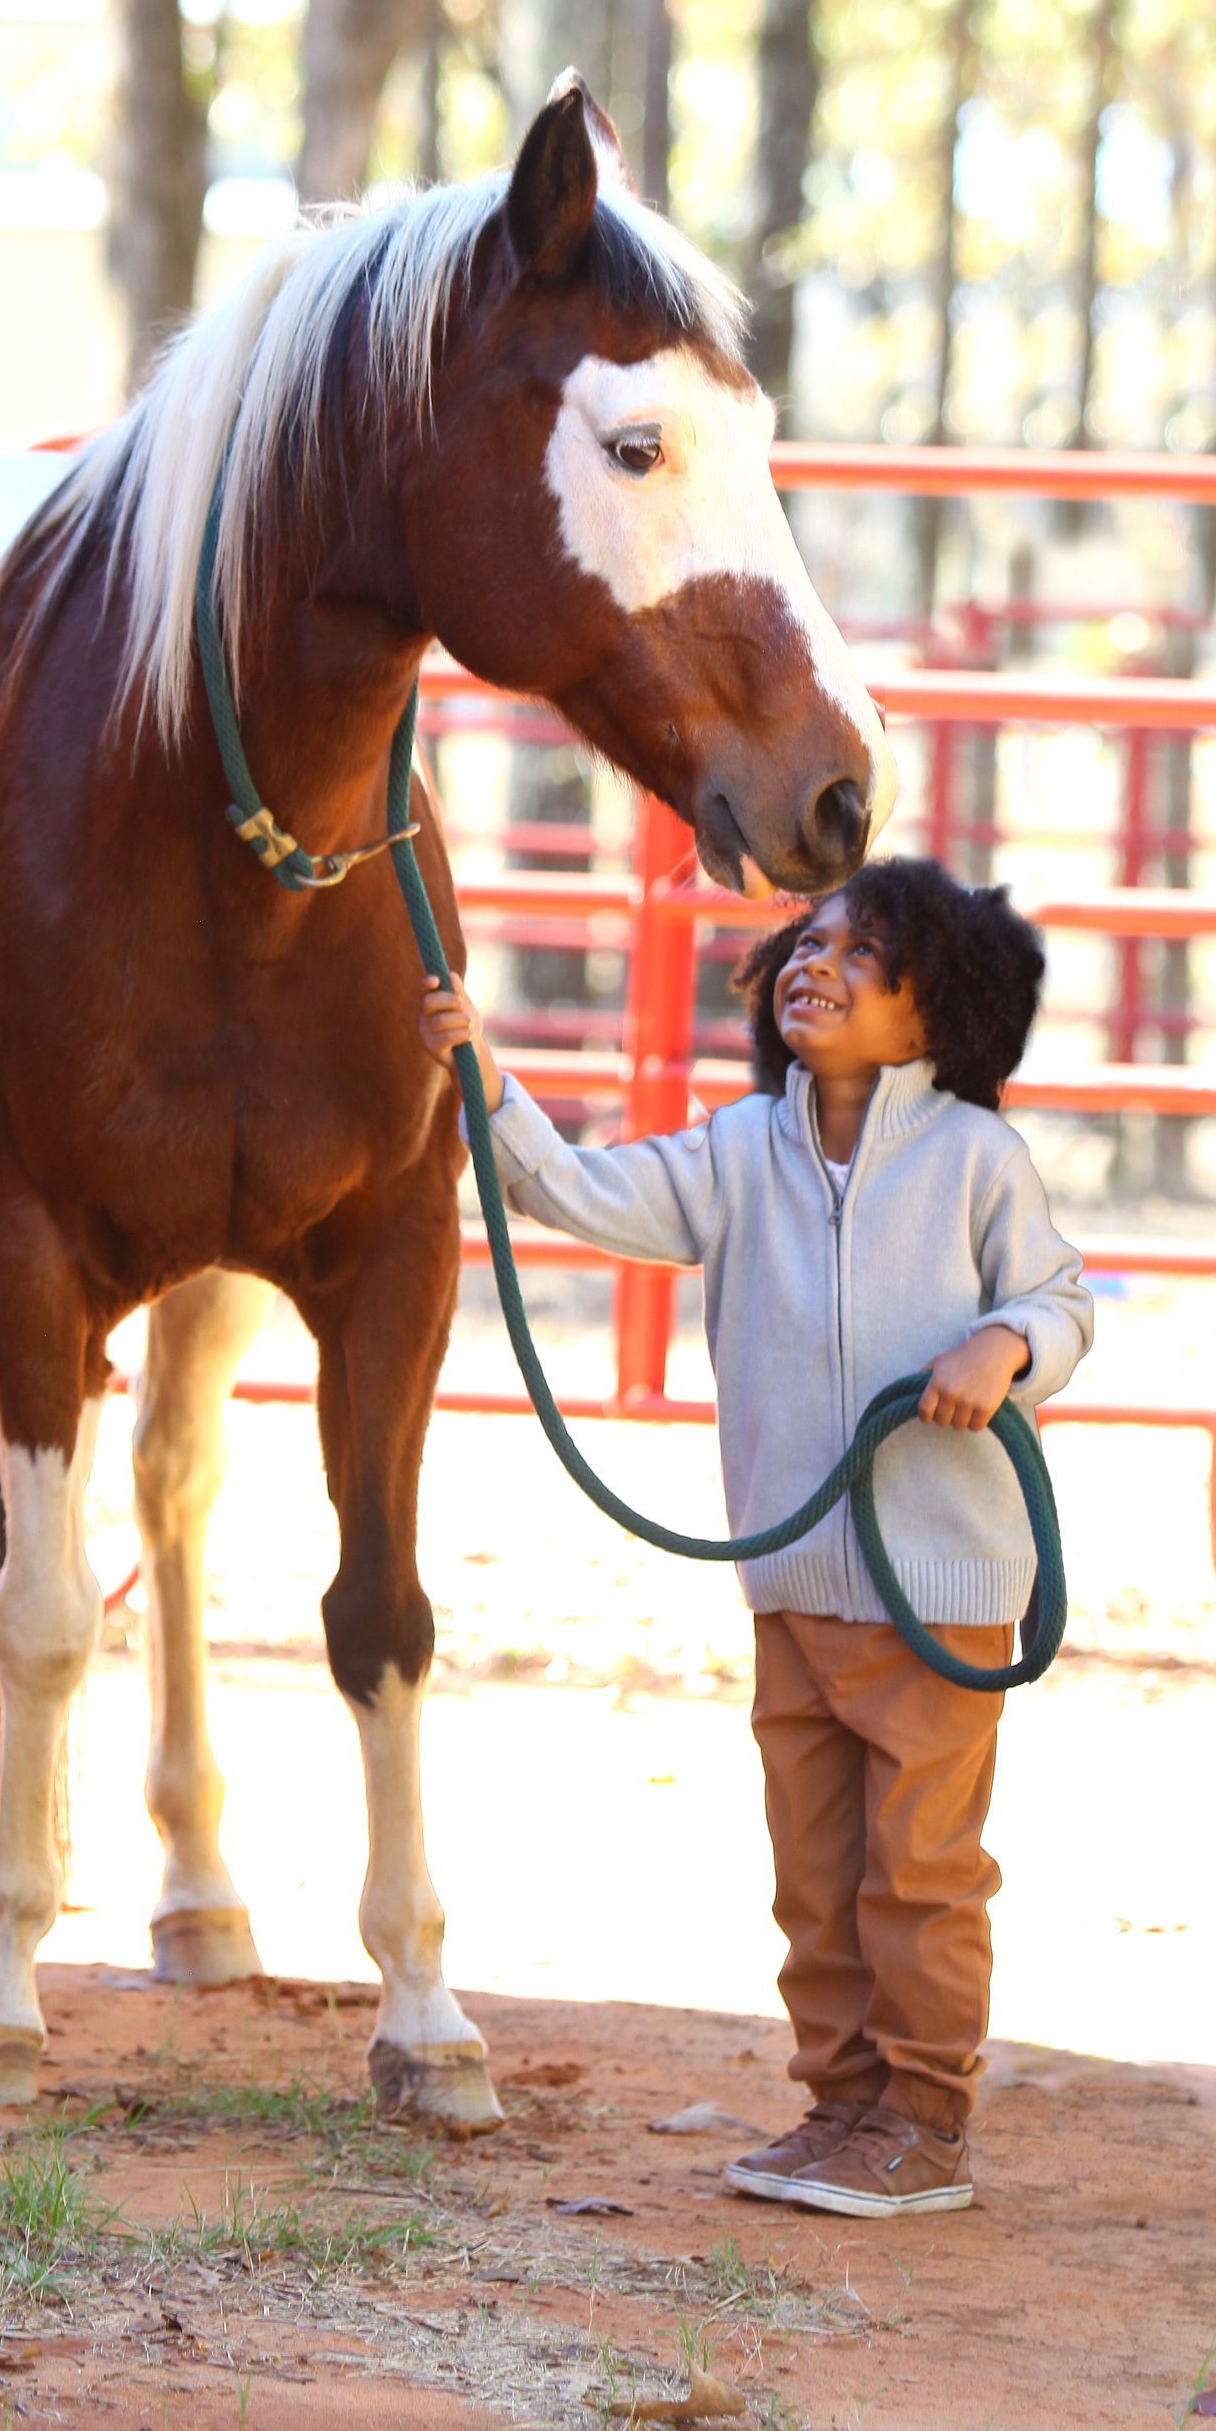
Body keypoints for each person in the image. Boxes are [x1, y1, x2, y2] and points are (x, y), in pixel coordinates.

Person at [419, 857, 1091, 2218]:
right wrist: (488, 1077)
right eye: (810, 940)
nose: (817, 964)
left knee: (921, 1868)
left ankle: (925, 2117)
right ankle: (842, 2104)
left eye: (863, 952)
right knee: (817, 1873)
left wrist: (1005, 1343)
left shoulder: (975, 1160)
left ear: (935, 1009)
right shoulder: (737, 1153)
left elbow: (1062, 1302)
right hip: (792, 1583)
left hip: (937, 1590)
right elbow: (580, 1193)